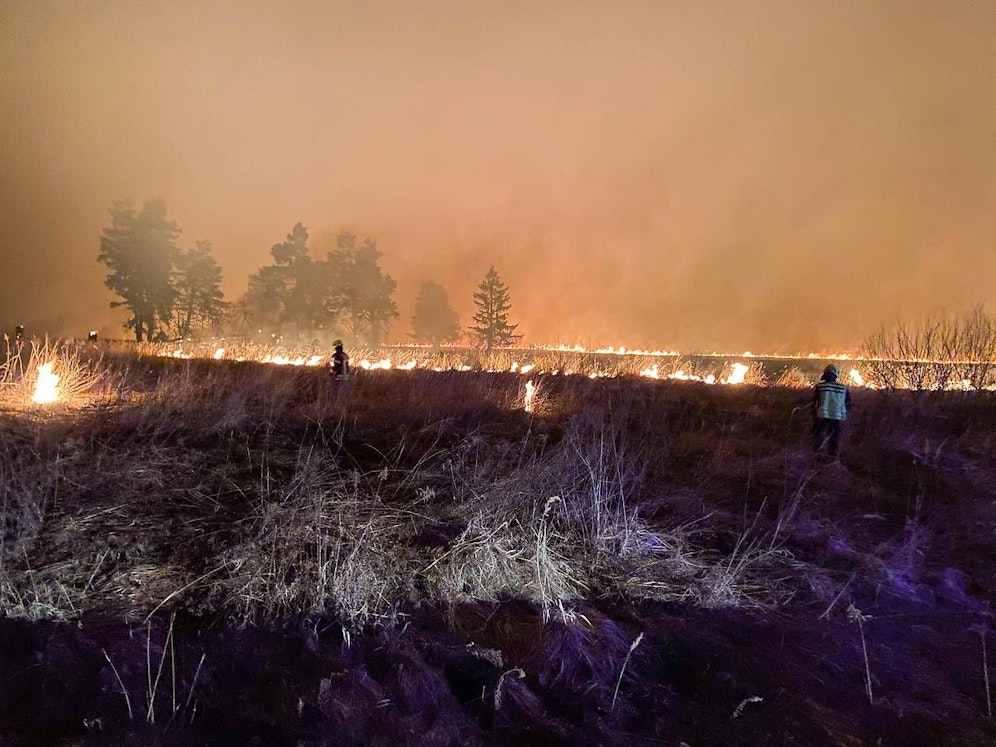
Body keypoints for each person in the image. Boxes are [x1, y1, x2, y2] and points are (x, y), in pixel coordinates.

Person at [812, 364, 852, 457]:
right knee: (834, 436)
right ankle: (832, 456)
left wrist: (813, 415)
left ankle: (816, 453)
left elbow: (814, 402)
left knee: (818, 434)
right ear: (836, 375)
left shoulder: (820, 386)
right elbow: (848, 403)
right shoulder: (843, 388)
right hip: (837, 416)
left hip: (822, 415)